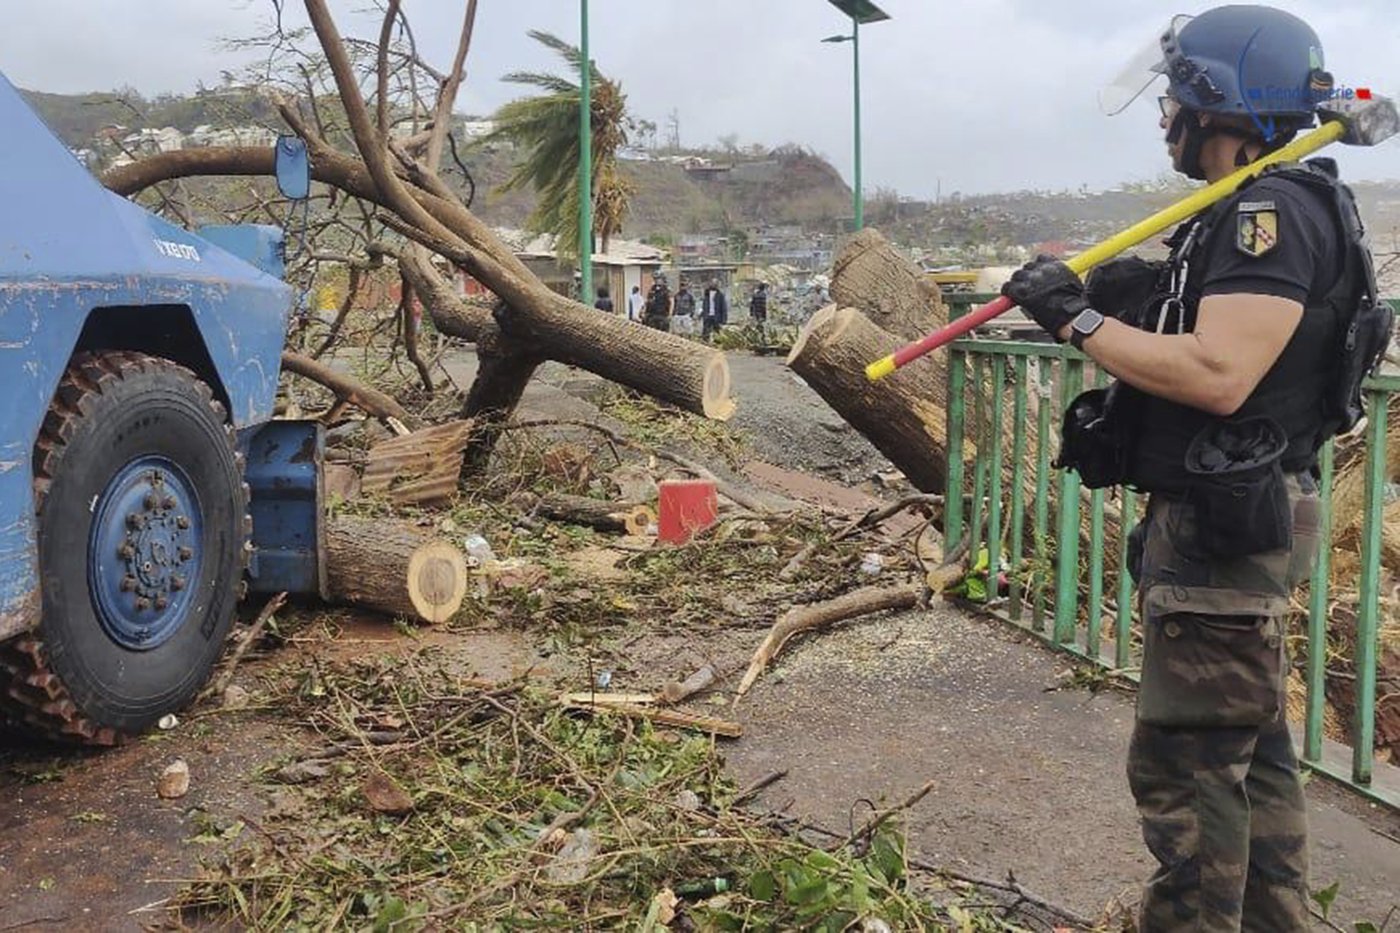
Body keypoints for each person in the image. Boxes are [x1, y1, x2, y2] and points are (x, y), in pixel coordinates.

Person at [1000, 7, 1384, 930]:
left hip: (1223, 539)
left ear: (1215, 102)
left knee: (1188, 774)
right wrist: (1117, 295)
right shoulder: (1252, 209)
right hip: (1225, 525)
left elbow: (1220, 374)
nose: (1164, 110)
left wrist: (1076, 324)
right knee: (1248, 760)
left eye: (1175, 93)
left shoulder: (1268, 212)